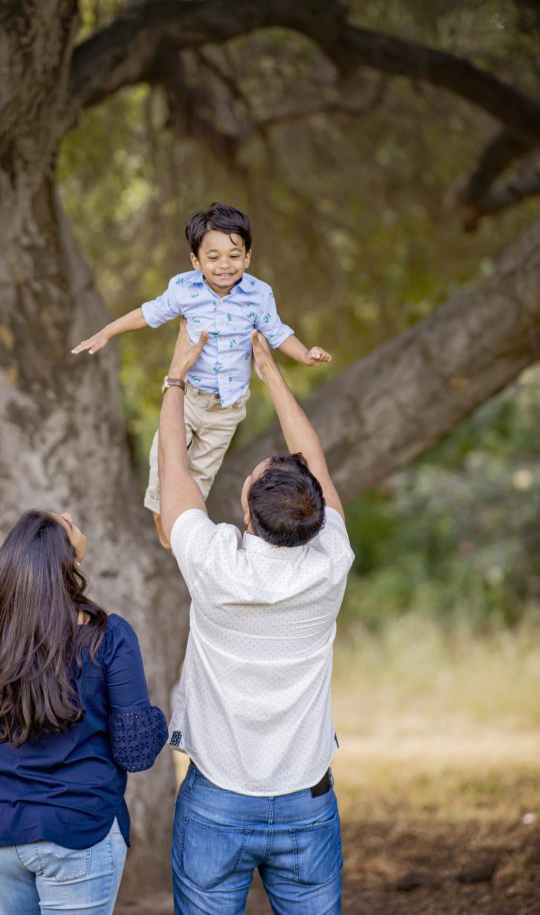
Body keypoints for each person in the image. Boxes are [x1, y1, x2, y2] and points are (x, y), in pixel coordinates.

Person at [158, 323, 354, 915]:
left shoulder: (214, 562)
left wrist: (174, 379)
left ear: (246, 512)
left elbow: (174, 470)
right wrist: (270, 372)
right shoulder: (332, 562)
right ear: (316, 513)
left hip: (217, 801)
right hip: (306, 802)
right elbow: (314, 462)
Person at [71, 203, 331, 547]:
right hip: (189, 397)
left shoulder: (258, 294)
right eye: (213, 257)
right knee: (163, 460)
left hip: (227, 408)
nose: (225, 264)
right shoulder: (184, 290)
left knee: (202, 472)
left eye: (234, 255)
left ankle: (181, 522)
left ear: (248, 256)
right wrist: (107, 331)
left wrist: (305, 354)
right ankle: (160, 509)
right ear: (196, 261)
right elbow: (147, 314)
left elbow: (278, 332)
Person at [0, 509, 167, 915]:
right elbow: (137, 752)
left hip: (3, 836)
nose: (73, 516)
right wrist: (158, 722)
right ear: (67, 558)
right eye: (67, 522)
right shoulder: (107, 636)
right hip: (78, 833)